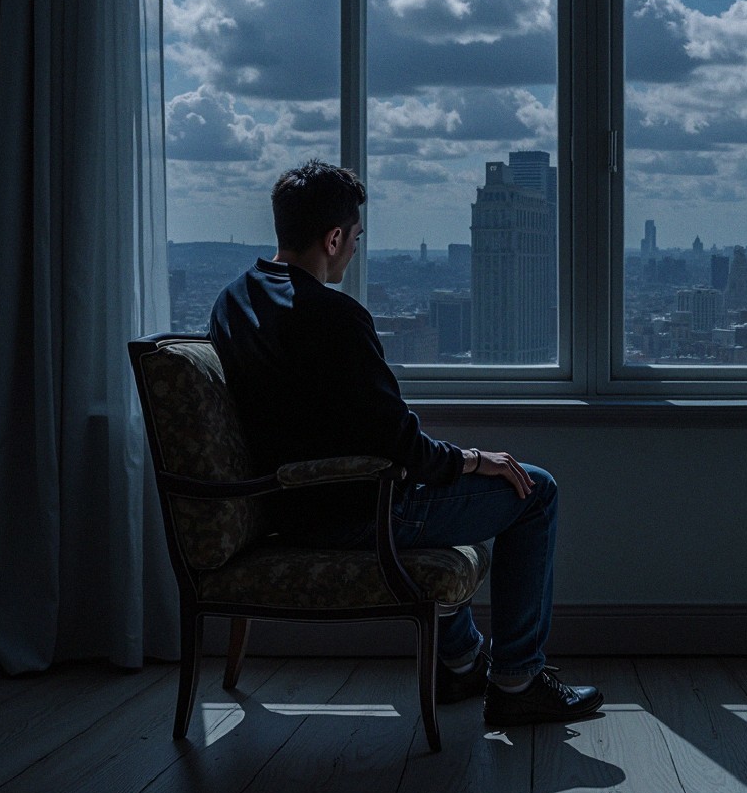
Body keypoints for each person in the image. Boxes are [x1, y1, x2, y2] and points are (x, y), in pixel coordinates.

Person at [209, 159, 601, 728]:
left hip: (282, 508)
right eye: (355, 240)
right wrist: (473, 461)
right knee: (535, 490)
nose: (353, 254)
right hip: (353, 511)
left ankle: (464, 661)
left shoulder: (232, 302)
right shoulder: (334, 316)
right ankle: (517, 679)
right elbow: (400, 444)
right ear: (335, 236)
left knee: (456, 488)